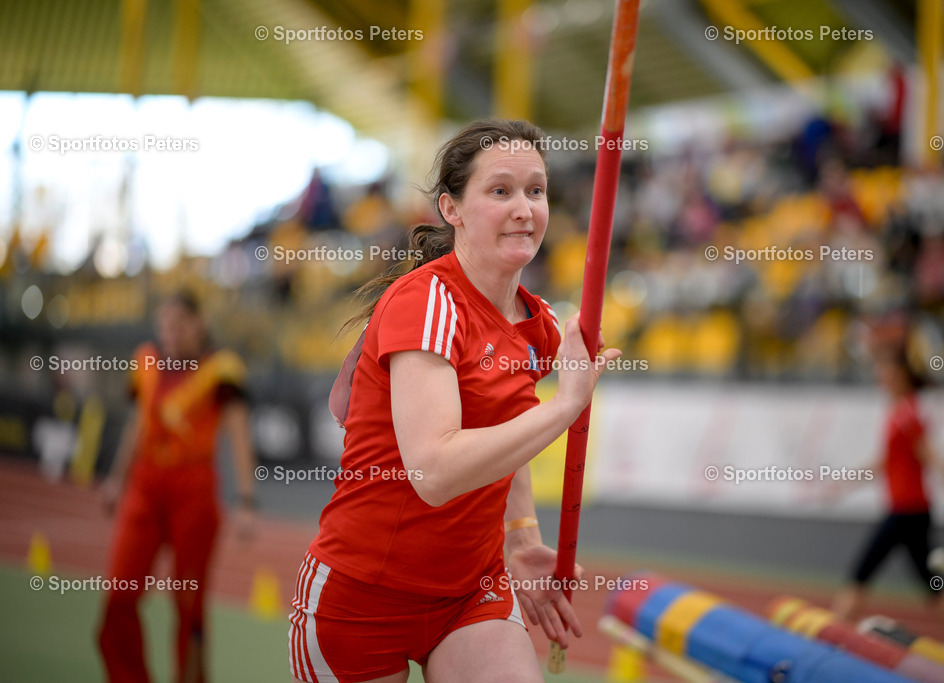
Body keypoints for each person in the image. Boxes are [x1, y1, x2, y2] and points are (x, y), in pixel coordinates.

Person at [289, 119, 621, 683]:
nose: (524, 208)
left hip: (471, 591)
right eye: (501, 191)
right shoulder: (428, 304)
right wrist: (563, 408)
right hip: (363, 596)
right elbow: (435, 471)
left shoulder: (539, 325)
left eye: (535, 191)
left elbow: (504, 434)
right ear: (451, 209)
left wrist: (521, 539)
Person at [98, 291, 257, 683]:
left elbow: (239, 435)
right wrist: (117, 480)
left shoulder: (222, 368)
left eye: (180, 323)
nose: (171, 332)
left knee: (188, 604)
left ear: (199, 323)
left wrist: (247, 500)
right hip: (145, 487)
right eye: (165, 324)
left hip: (194, 491)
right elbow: (137, 424)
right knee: (119, 596)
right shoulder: (146, 361)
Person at [832, 349, 944, 642]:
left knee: (861, 573)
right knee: (930, 582)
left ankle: (827, 639)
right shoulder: (898, 411)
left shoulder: (907, 413)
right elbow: (885, 461)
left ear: (902, 375)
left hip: (907, 511)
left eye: (887, 370)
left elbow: (933, 457)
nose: (880, 377)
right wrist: (846, 482)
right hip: (910, 511)